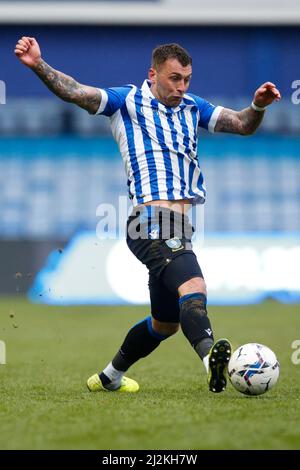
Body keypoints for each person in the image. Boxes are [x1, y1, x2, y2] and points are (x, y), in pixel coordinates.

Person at [15, 37, 281, 394]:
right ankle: (214, 364)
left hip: (180, 226)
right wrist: (38, 64)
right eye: (174, 78)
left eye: (187, 79)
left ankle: (110, 376)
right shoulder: (127, 101)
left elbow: (242, 124)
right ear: (152, 74)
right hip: (148, 220)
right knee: (194, 286)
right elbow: (76, 92)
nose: (181, 86)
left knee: (165, 323)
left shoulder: (192, 107)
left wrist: (257, 106)